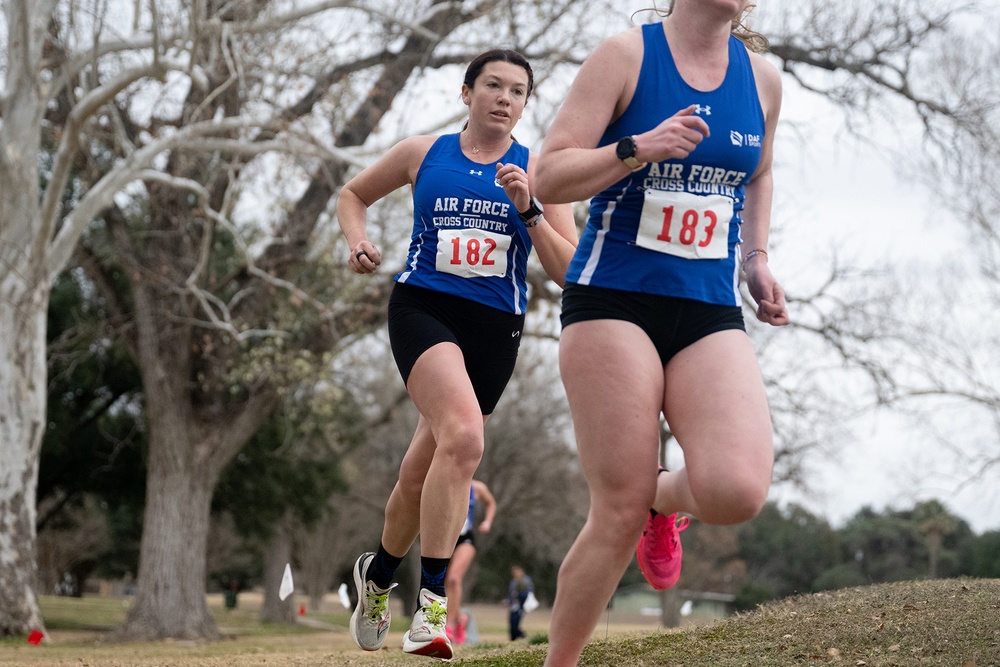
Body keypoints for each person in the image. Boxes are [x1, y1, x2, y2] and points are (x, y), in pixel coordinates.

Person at [533, 2, 787, 665]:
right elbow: (548, 173)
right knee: (615, 507)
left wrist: (756, 260)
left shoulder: (762, 81)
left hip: (706, 304)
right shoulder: (626, 56)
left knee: (738, 489)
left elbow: (758, 172)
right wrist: (636, 147)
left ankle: (662, 501)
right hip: (613, 296)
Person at [337, 49, 577, 661]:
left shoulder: (543, 169)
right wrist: (358, 240)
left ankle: (378, 575)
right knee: (466, 440)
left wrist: (530, 207)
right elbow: (352, 194)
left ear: (526, 104)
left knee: (423, 472)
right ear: (465, 93)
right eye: (492, 85)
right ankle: (432, 608)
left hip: (496, 328)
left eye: (518, 91)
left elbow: (568, 270)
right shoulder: (424, 153)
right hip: (425, 308)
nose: (504, 97)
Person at [445, 479, 496, 645]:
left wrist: (487, 522)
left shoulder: (477, 487)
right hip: (445, 538)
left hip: (465, 538)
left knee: (454, 578)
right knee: (444, 582)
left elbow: (491, 503)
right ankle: (460, 619)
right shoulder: (445, 483)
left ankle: (450, 625)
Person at [507, 564, 535, 641]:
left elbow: (529, 592)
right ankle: (513, 638)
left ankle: (522, 635)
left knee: (516, 621)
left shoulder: (526, 581)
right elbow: (511, 593)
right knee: (512, 622)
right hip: (514, 605)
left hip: (521, 604)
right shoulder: (513, 581)